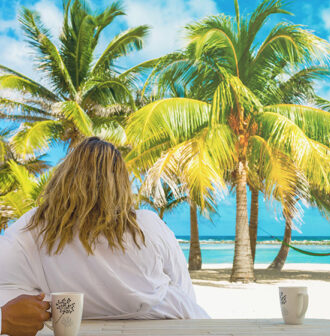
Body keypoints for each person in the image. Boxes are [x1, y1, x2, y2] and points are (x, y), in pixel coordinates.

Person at [0, 137, 209, 325]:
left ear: (65, 176)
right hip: (172, 318)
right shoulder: (147, 225)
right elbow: (183, 289)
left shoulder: (37, 226)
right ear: (120, 183)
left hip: (70, 322)